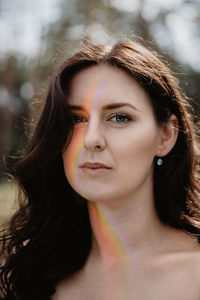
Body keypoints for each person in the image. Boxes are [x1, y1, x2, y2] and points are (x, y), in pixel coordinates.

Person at [0, 39, 200, 300]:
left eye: (119, 117)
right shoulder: (26, 274)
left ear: (165, 136)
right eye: (76, 119)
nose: (91, 139)